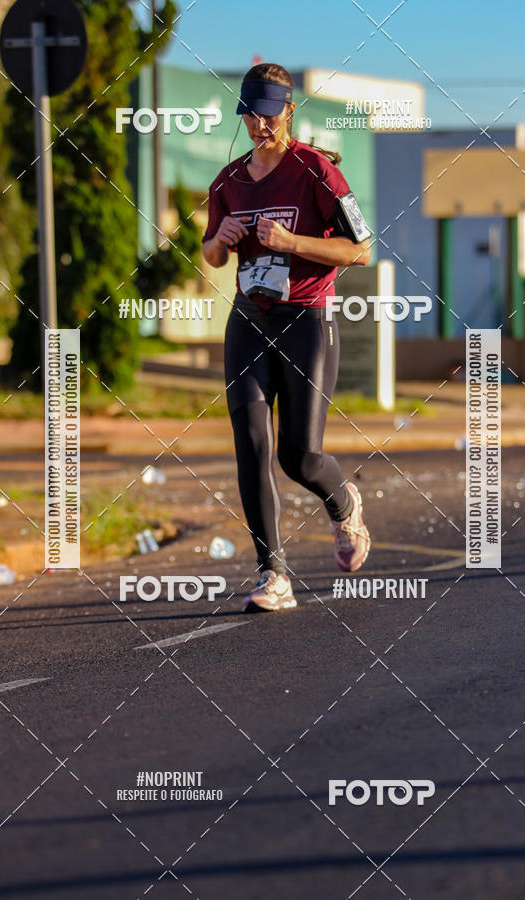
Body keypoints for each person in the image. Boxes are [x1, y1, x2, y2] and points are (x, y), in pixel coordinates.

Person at [202, 63, 372, 613]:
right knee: (251, 444)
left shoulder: (316, 171)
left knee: (298, 455)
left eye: (269, 114)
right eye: (250, 114)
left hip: (306, 320)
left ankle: (343, 501)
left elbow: (360, 249)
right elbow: (210, 253)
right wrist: (221, 241)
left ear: (289, 110)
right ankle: (272, 575)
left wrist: (293, 241)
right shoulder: (227, 181)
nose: (259, 125)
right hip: (249, 318)